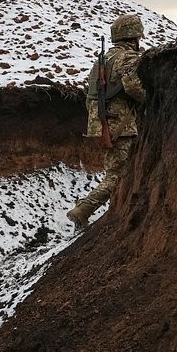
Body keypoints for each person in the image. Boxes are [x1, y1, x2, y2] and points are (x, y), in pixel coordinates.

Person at [66, 14, 147, 229]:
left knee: (117, 169)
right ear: (133, 36)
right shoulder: (127, 58)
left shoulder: (105, 59)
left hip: (105, 122)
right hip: (119, 124)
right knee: (117, 174)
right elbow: (133, 87)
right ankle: (83, 210)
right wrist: (149, 99)